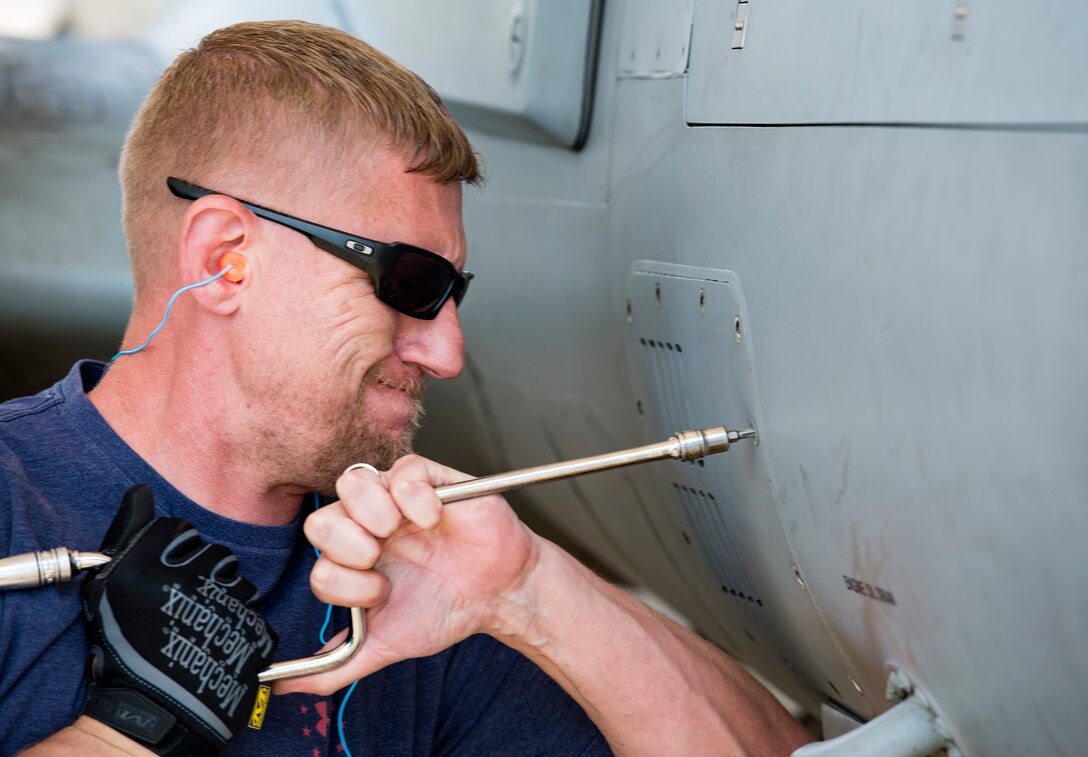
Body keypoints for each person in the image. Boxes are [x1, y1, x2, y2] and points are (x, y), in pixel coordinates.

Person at [0, 19, 813, 757]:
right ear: (223, 259)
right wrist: (128, 729)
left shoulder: (405, 583)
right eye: (412, 280)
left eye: (453, 294)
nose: (448, 350)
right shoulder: (14, 502)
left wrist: (530, 591)